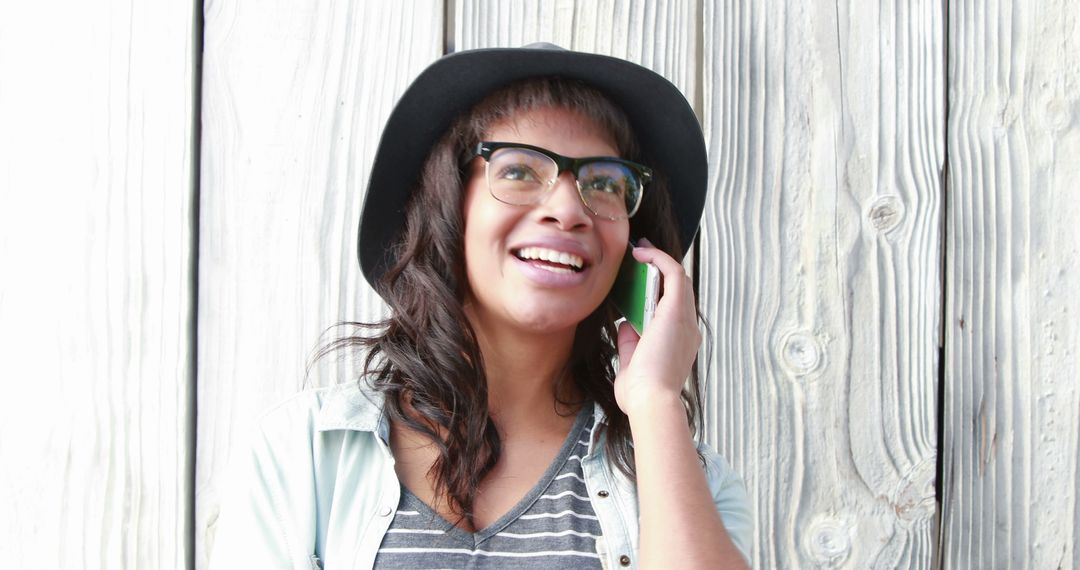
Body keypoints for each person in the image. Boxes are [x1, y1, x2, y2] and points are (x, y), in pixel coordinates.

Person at [210, 43, 752, 569]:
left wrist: (656, 403)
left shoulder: (686, 480)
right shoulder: (300, 456)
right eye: (518, 171)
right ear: (448, 208)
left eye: (605, 182)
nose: (568, 210)